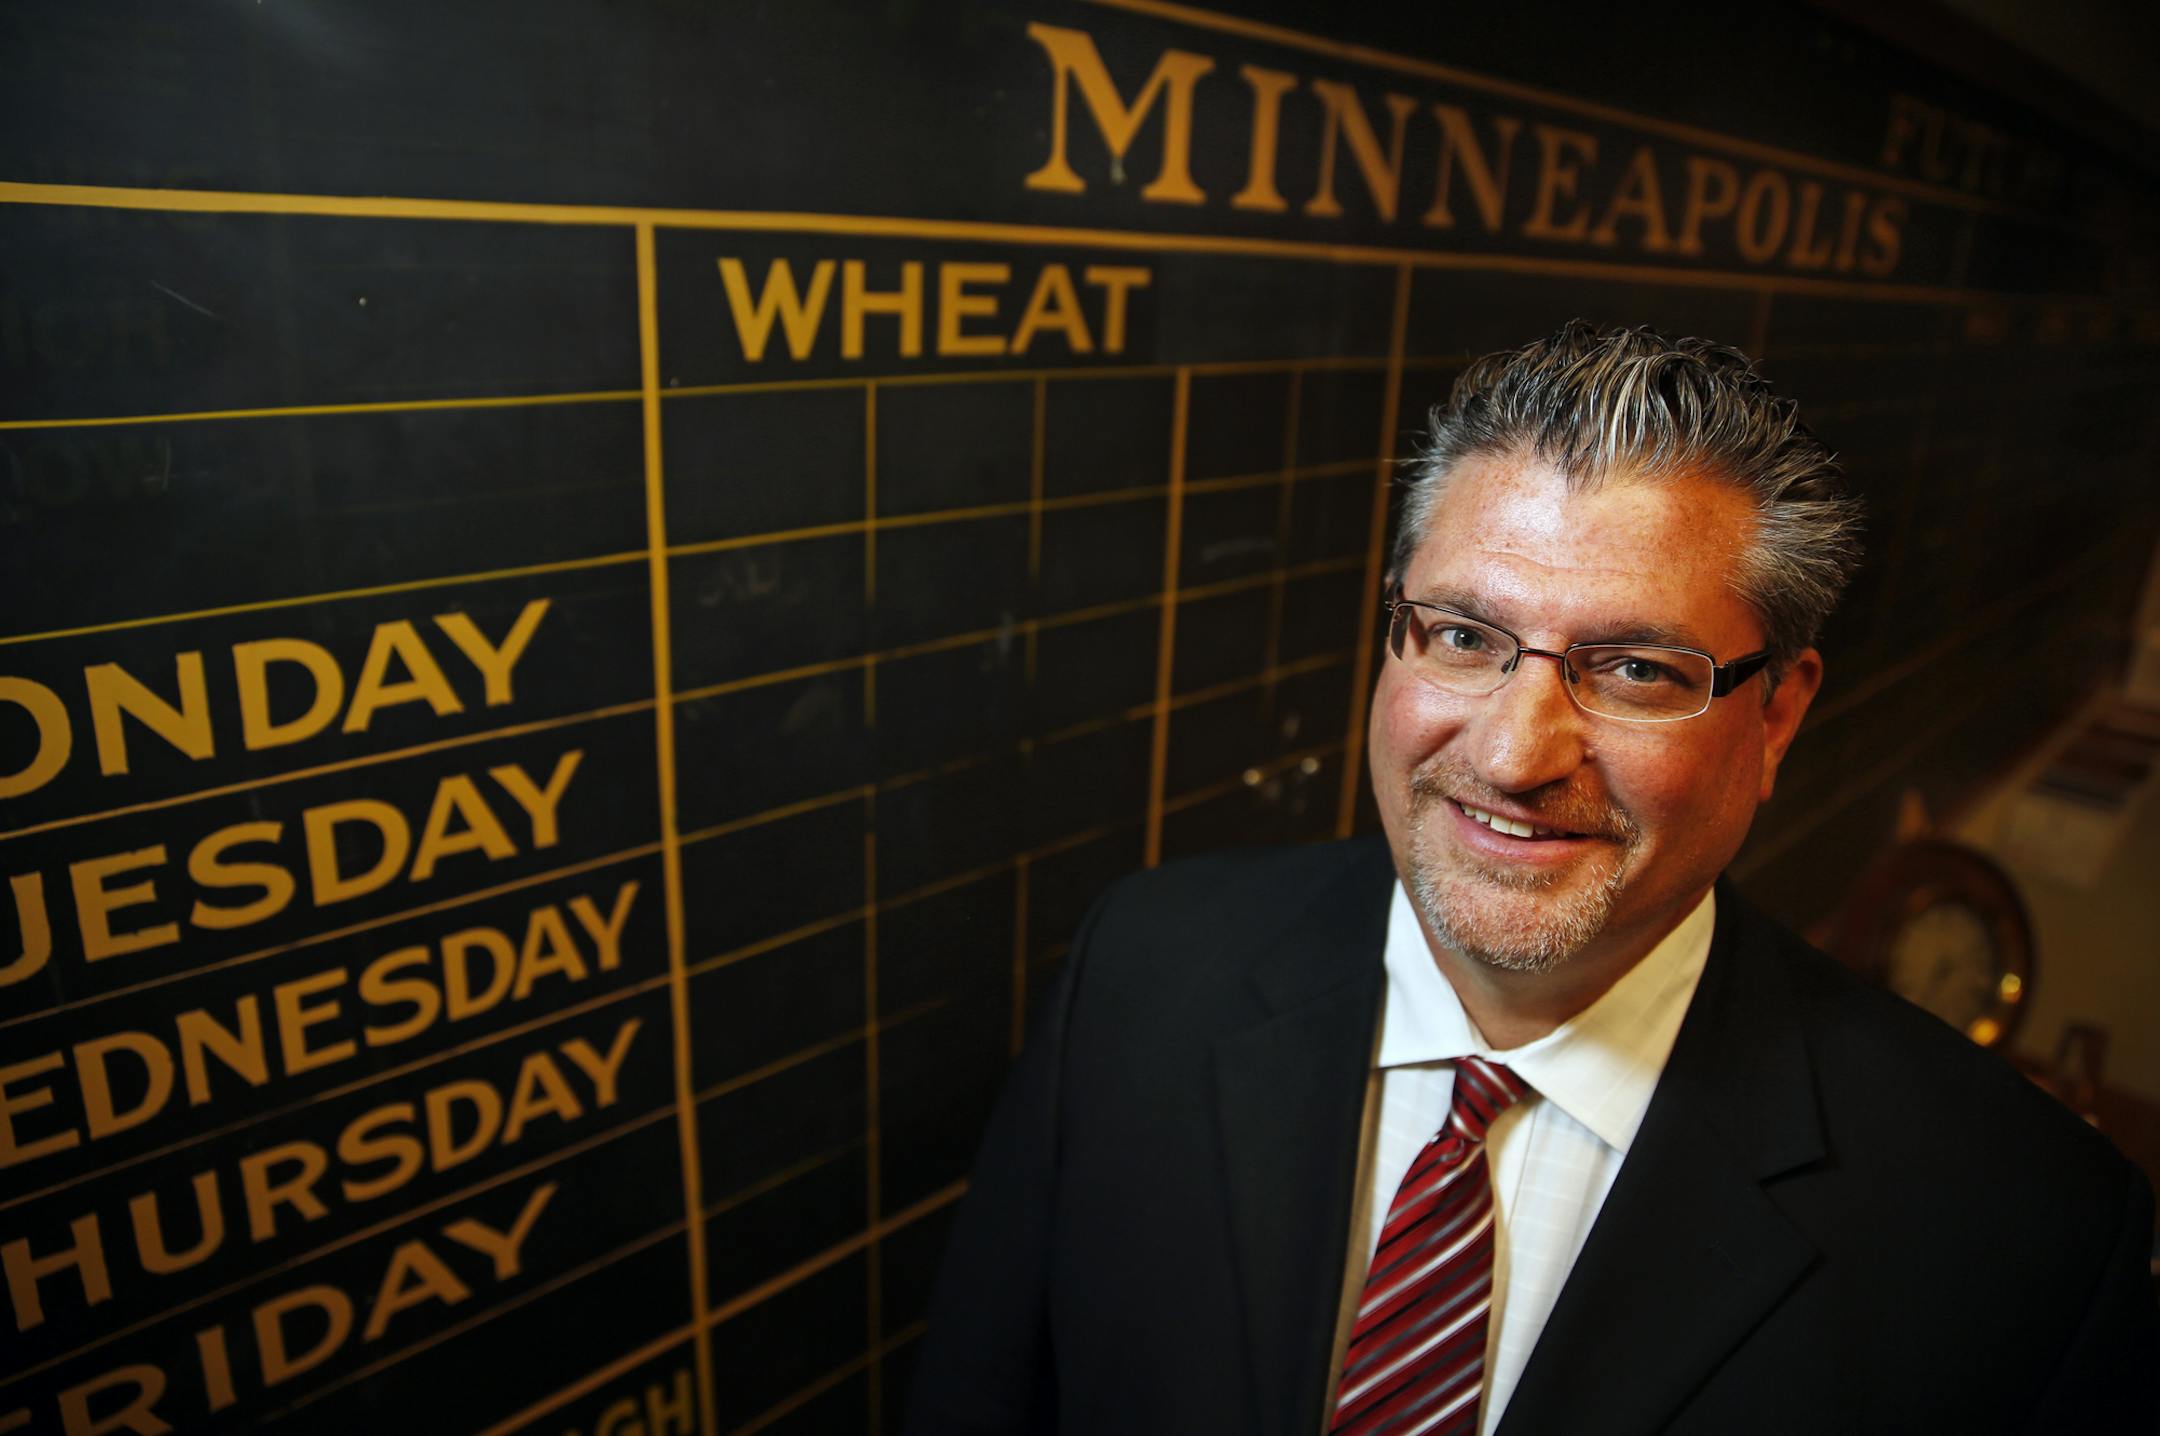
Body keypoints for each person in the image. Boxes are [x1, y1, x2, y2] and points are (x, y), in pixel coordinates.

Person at [902, 322, 2159, 1435]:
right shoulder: (1142, 968)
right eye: (1462, 636)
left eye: (1635, 670)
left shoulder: (2023, 1235)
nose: (1511, 755)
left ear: (1777, 715)